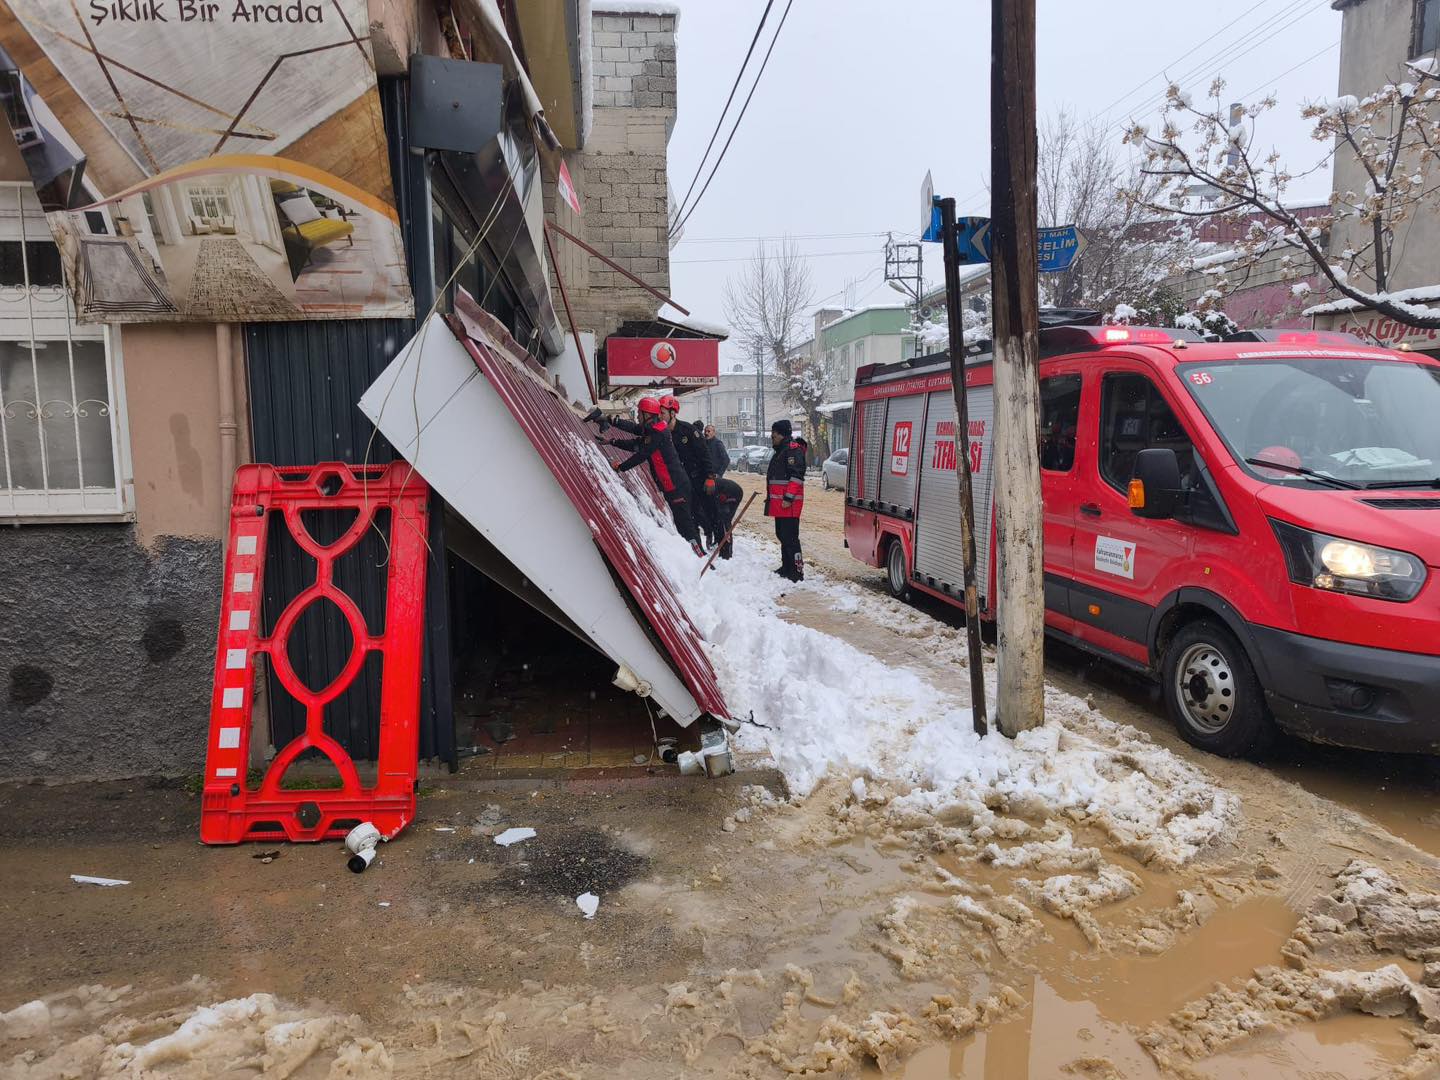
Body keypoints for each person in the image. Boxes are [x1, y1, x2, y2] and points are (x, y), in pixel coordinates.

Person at [600, 397, 705, 556]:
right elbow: (636, 433)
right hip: (674, 485)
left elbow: (641, 453)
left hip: (675, 485)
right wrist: (613, 433)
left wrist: (621, 467)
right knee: (683, 523)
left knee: (685, 526)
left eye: (639, 414)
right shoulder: (655, 428)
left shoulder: (658, 433)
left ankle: (699, 558)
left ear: (646, 414)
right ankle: (695, 556)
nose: (637, 417)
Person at [765, 419, 807, 581]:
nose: (772, 438)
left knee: (790, 538)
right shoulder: (781, 450)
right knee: (782, 534)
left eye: (774, 435)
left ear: (781, 434)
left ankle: (796, 571)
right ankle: (786, 567)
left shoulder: (792, 450)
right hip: (779, 503)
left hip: (788, 503)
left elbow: (796, 476)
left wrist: (788, 498)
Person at [710, 474, 743, 559]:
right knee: (717, 519)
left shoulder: (709, 485)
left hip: (734, 493)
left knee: (725, 521)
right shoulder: (707, 485)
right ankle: (719, 543)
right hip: (725, 492)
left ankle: (727, 551)